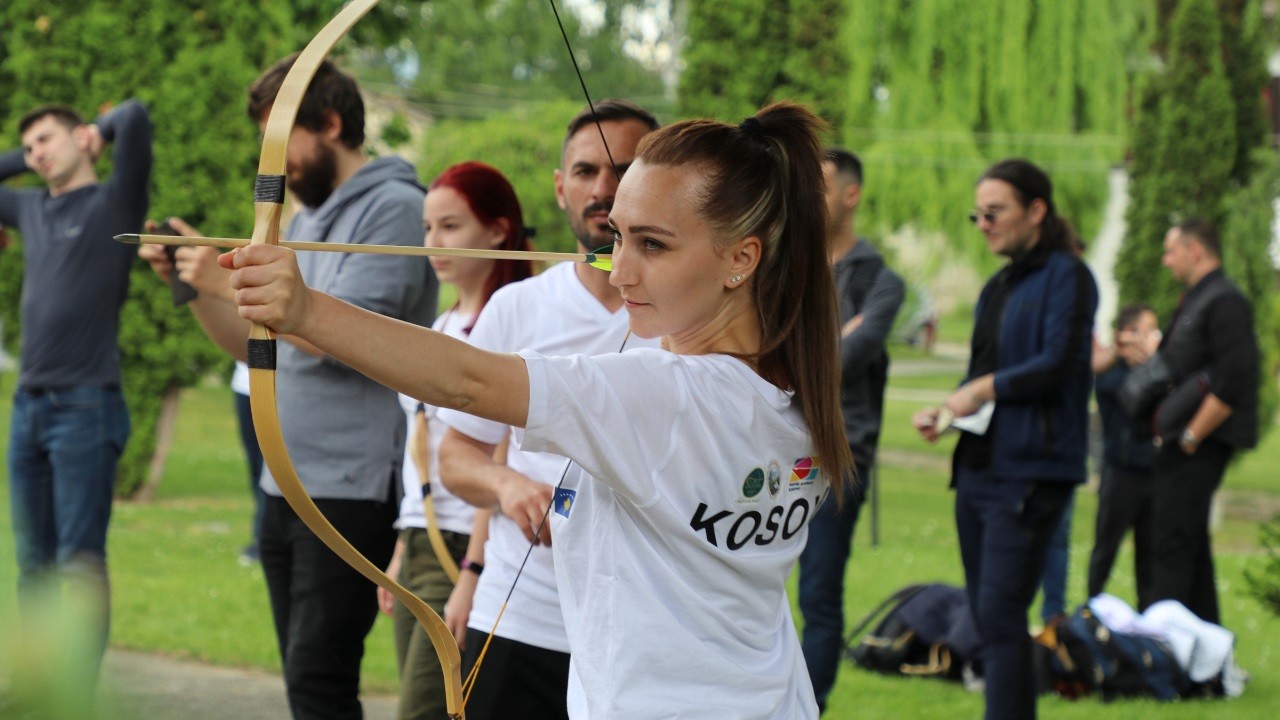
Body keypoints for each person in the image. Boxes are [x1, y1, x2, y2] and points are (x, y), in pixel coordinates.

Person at [222, 100, 851, 719]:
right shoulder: (797, 388)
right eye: (617, 237)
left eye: (654, 245)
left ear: (742, 259)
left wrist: (305, 311)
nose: (621, 269)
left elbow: (467, 380)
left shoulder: (667, 395)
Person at [138, 54, 436, 720]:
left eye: (279, 139)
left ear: (329, 122)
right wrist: (194, 287)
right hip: (287, 483)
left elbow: (360, 340)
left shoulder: (396, 209)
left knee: (319, 684)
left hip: (352, 485)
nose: (268, 161)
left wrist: (228, 281)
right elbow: (256, 346)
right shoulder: (304, 219)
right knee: (308, 686)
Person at [433, 99, 659, 720]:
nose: (604, 189)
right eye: (585, 172)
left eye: (626, 169)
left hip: (641, 636)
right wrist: (506, 486)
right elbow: (456, 456)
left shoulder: (692, 319)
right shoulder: (514, 308)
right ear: (560, 189)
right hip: (521, 619)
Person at [912, 159, 1097, 720]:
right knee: (996, 620)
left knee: (999, 611)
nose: (984, 223)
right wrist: (948, 409)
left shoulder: (1068, 276)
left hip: (1033, 469)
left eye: (995, 212)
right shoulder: (998, 285)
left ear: (1036, 210)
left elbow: (1060, 363)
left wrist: (984, 389)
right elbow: (984, 373)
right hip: (979, 468)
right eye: (978, 214)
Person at [1, 99, 152, 696]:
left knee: (78, 560)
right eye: (28, 145)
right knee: (31, 559)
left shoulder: (116, 205)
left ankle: (77, 691)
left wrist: (100, 131)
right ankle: (34, 681)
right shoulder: (31, 207)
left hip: (85, 407)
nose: (37, 152)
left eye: (46, 139)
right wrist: (29, 155)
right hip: (28, 408)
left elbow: (136, 118)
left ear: (81, 139)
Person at [376, 162, 534, 720]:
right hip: (421, 541)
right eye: (427, 228)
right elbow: (419, 449)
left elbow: (500, 453)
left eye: (450, 227)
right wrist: (400, 548)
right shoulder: (442, 326)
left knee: (426, 711)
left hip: (468, 548)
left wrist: (473, 572)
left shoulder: (513, 323)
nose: (432, 243)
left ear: (497, 231)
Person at [798, 147, 903, 712]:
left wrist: (805, 350)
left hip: (841, 457)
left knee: (818, 594)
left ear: (850, 195)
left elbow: (849, 358)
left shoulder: (882, 281)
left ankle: (809, 706)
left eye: (819, 185)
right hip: (768, 447)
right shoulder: (786, 265)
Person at [1131, 219, 1259, 623]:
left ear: (1196, 251)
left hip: (1198, 446)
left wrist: (1190, 435)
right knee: (1190, 544)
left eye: (1171, 251)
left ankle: (1159, 653)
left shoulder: (1224, 300)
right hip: (1180, 444)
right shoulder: (1198, 298)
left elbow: (1236, 375)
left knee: (1170, 546)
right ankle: (1208, 661)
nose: (1165, 260)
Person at [1087, 304, 1159, 606]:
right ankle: (1092, 608)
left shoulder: (1156, 368)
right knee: (1106, 546)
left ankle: (1149, 620)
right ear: (1126, 334)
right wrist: (1124, 356)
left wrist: (1151, 363)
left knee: (1149, 554)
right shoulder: (1112, 374)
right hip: (1120, 471)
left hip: (1153, 473)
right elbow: (1130, 396)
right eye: (1146, 331)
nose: (1153, 338)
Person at [231, 360, 266, 565]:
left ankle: (262, 537)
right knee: (256, 467)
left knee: (269, 469)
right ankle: (260, 534)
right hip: (245, 386)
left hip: (279, 386)